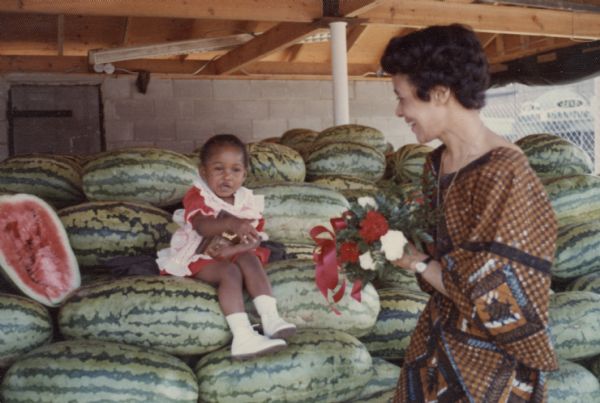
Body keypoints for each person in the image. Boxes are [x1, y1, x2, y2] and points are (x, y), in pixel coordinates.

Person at [381, 24, 558, 402]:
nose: (399, 111)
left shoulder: (505, 172)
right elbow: (441, 263)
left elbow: (501, 301)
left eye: (403, 98)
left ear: (441, 93)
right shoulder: (435, 164)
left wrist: (416, 262)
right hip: (435, 352)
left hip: (493, 371)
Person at [156, 133, 296, 360]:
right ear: (203, 172)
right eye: (218, 169)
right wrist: (231, 222)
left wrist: (249, 241)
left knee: (250, 259)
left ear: (245, 174)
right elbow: (202, 227)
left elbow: (255, 232)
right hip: (198, 255)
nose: (227, 177)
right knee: (230, 273)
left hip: (230, 251)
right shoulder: (200, 195)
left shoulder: (245, 200)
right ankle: (242, 336)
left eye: (235, 170)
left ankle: (270, 318)